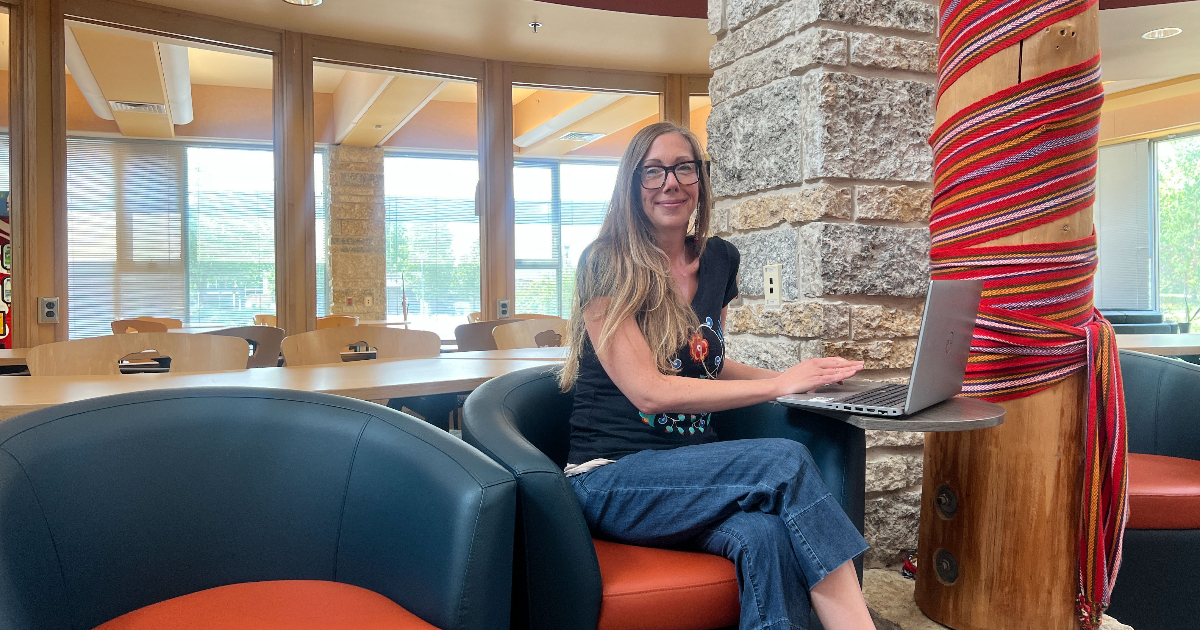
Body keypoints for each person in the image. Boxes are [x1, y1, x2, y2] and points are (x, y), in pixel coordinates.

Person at [558, 121, 875, 630]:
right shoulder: (606, 263)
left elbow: (707, 364)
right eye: (653, 171)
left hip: (693, 475)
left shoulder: (719, 258)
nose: (670, 182)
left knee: (763, 537)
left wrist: (796, 377)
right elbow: (649, 390)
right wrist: (777, 386)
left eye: (684, 168)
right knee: (785, 462)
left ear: (701, 181)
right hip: (611, 479)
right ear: (631, 184)